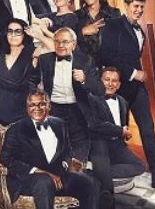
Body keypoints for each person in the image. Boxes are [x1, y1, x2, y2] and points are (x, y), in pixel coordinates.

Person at [99, 0, 155, 191]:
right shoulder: (113, 25)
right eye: (135, 6)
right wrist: (133, 73)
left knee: (148, 130)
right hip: (118, 88)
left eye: (141, 7)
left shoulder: (141, 32)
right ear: (127, 5)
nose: (139, 10)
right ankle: (111, 177)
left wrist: (136, 77)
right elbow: (107, 55)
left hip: (137, 89)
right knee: (117, 132)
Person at [0, 90, 99, 209]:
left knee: (89, 183)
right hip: (28, 179)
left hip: (58, 175)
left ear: (49, 106)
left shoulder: (60, 124)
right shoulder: (16, 130)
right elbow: (5, 158)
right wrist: (39, 171)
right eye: (32, 105)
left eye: (41, 104)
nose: (37, 108)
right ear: (27, 108)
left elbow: (67, 151)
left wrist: (65, 165)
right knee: (44, 182)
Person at [37, 27, 104, 162]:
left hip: (77, 110)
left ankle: (76, 171)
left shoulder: (86, 60)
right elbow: (32, 80)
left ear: (73, 44)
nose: (60, 45)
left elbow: (100, 89)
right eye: (57, 42)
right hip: (54, 109)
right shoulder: (44, 60)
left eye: (65, 42)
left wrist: (84, 80)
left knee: (79, 151)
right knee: (56, 150)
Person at [88, 67, 146, 208]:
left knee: (140, 166)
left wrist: (125, 134)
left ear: (119, 84)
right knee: (106, 192)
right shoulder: (91, 99)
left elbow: (124, 123)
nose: (110, 84)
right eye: (106, 80)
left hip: (117, 145)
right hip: (99, 144)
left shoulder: (122, 101)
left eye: (114, 81)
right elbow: (96, 125)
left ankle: (96, 172)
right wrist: (120, 131)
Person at [0, 18, 40, 126]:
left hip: (24, 112)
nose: (13, 35)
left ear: (25, 34)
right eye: (10, 31)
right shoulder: (2, 53)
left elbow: (55, 48)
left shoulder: (33, 52)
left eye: (18, 31)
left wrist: (39, 36)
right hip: (2, 112)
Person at [75, 0, 120, 69]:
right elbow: (67, 40)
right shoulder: (76, 16)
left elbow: (121, 43)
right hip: (85, 69)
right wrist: (82, 32)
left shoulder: (114, 14)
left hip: (109, 69)